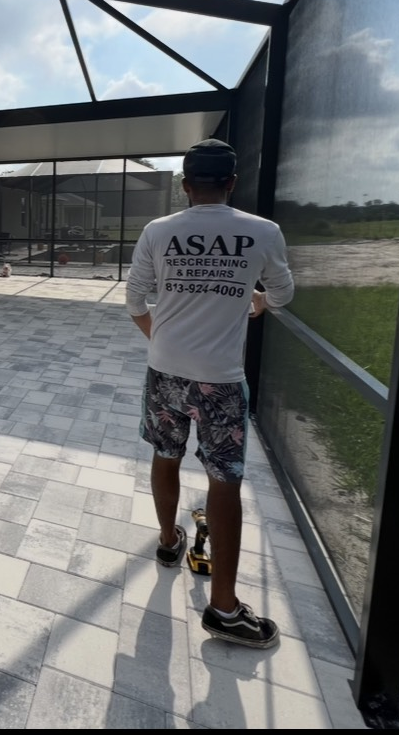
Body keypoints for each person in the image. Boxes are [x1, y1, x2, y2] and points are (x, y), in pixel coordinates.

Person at [125, 138, 294, 649]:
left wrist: (165, 341)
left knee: (165, 455)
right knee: (223, 481)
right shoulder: (262, 231)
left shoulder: (159, 231)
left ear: (185, 185)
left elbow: (135, 300)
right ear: (232, 183)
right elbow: (283, 294)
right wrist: (256, 299)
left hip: (164, 373)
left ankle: (169, 540)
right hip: (221, 379)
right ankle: (222, 608)